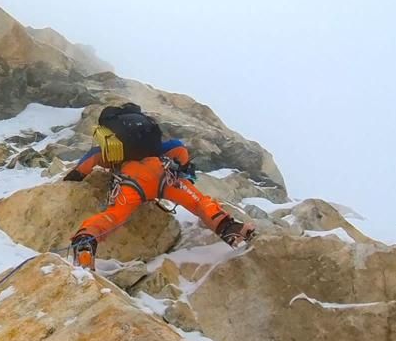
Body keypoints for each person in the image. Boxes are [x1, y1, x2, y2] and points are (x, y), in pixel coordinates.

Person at [64, 103, 255, 269]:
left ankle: (86, 242)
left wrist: (75, 177)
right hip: (164, 174)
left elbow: (91, 159)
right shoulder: (152, 138)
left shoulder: (111, 149)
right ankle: (230, 227)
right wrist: (183, 167)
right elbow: (178, 148)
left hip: (131, 179)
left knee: (114, 216)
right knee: (198, 203)